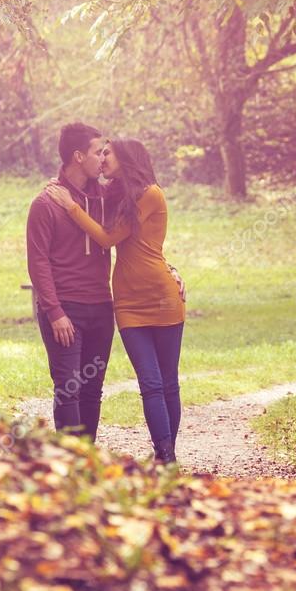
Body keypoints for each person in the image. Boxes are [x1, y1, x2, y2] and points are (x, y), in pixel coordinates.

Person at [45, 139, 186, 464]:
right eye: (100, 152)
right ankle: (164, 454)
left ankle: (166, 456)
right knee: (150, 382)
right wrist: (61, 185)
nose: (103, 158)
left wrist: (70, 206)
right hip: (126, 301)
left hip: (162, 297)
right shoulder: (114, 195)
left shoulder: (151, 193)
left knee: (167, 382)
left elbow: (109, 238)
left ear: (127, 158)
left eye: (108, 153)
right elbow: (84, 187)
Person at [26, 122, 117, 439]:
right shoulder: (45, 204)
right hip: (65, 310)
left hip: (102, 309)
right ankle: (69, 465)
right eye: (97, 151)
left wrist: (170, 269)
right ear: (78, 156)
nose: (103, 158)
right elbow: (38, 263)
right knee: (69, 388)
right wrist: (55, 312)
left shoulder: (107, 198)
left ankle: (85, 461)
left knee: (93, 390)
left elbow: (140, 236)